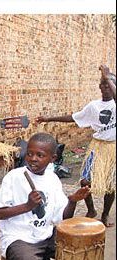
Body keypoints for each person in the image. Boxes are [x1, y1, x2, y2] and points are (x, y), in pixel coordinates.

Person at [35, 65, 116, 227]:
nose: (106, 87)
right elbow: (73, 117)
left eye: (109, 84)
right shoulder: (94, 106)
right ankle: (91, 210)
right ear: (99, 87)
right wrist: (49, 119)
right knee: (85, 180)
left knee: (110, 185)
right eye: (103, 84)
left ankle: (105, 215)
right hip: (97, 147)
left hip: (112, 148)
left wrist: (107, 76)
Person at [0, 133, 90, 260]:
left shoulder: (52, 179)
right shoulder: (14, 177)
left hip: (46, 236)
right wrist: (27, 206)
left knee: (80, 249)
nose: (33, 159)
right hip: (19, 239)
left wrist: (72, 201)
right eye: (29, 154)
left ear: (52, 158)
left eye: (40, 155)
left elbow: (63, 219)